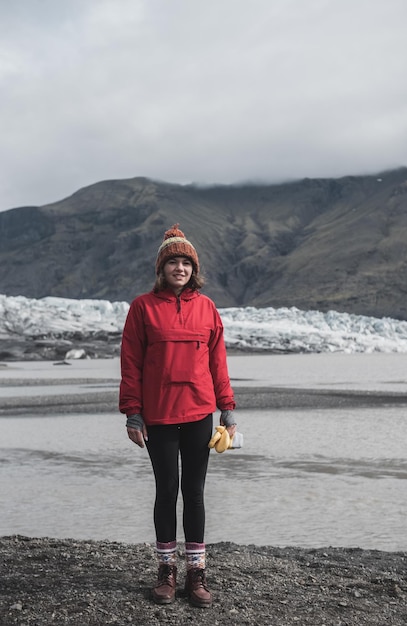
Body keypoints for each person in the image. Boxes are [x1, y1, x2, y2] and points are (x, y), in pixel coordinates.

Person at [119, 224, 236, 608]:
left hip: (200, 412)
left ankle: (196, 575)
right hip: (160, 416)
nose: (180, 268)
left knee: (196, 494)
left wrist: (228, 409)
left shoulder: (207, 308)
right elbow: (131, 362)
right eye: (173, 261)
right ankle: (166, 573)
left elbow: (218, 362)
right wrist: (133, 412)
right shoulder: (142, 307)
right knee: (167, 491)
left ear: (194, 268)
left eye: (186, 262)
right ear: (162, 268)